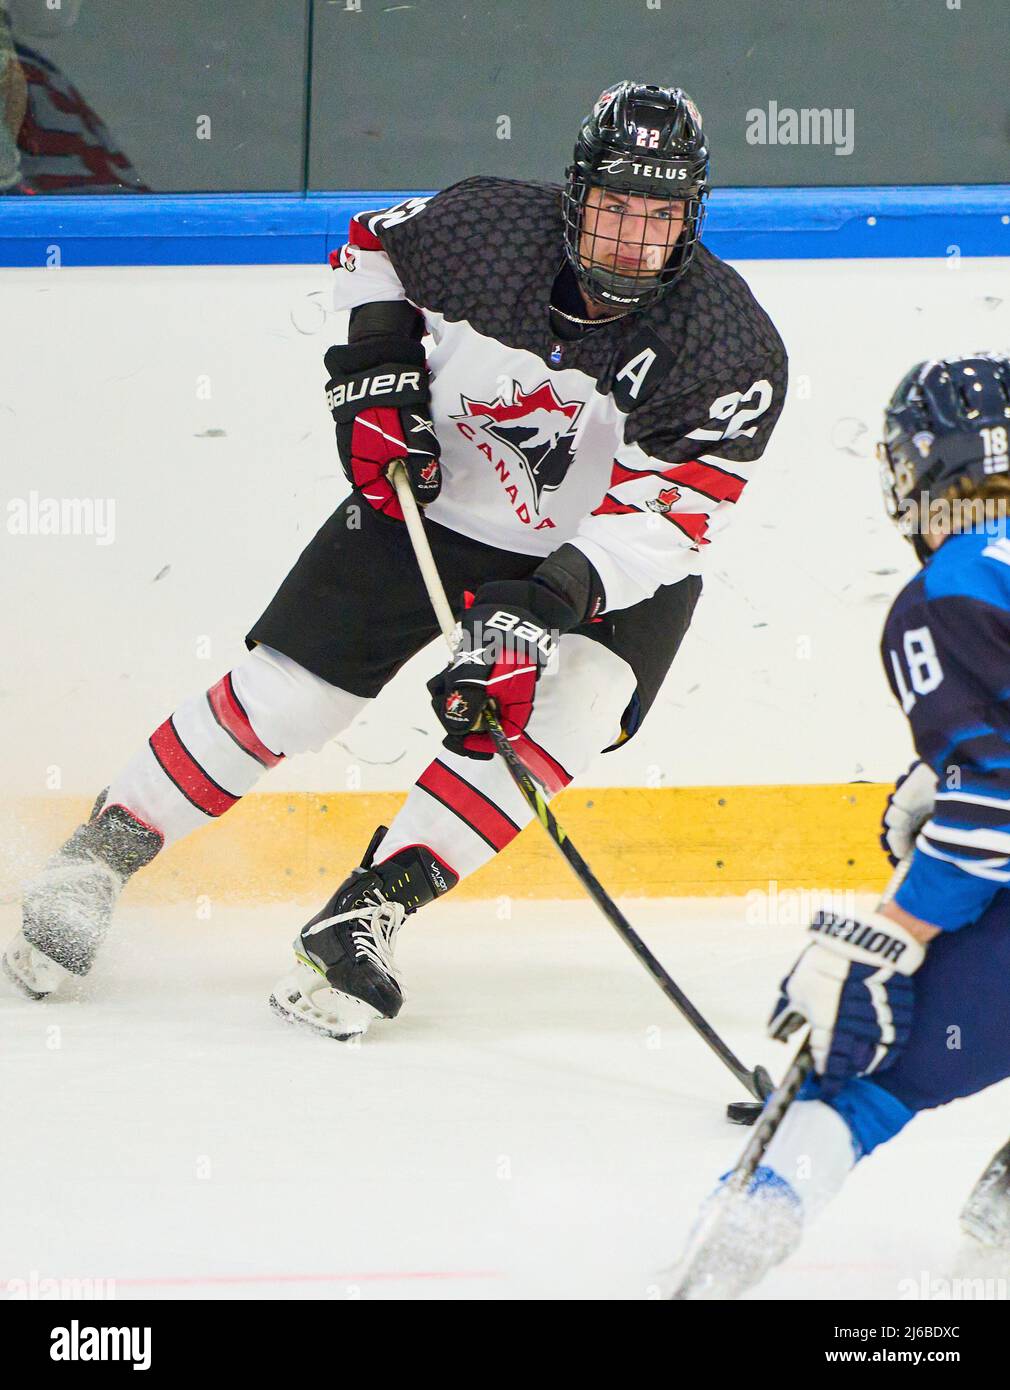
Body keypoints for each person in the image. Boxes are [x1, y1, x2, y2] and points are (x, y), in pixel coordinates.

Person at [4, 81, 787, 1040]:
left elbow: (669, 519)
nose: (631, 237)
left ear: (692, 216)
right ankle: (95, 857)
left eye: (658, 215)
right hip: (432, 501)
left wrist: (542, 608)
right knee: (294, 698)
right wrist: (376, 378)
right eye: (616, 206)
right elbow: (372, 246)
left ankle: (362, 916)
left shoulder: (725, 347)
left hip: (597, 560)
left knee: (571, 706)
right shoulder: (486, 229)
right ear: (575, 192)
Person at [672, 352, 1010, 1299]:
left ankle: (706, 1279)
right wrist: (940, 769)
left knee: (861, 1066)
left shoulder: (955, 588)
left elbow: (997, 804)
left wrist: (889, 939)